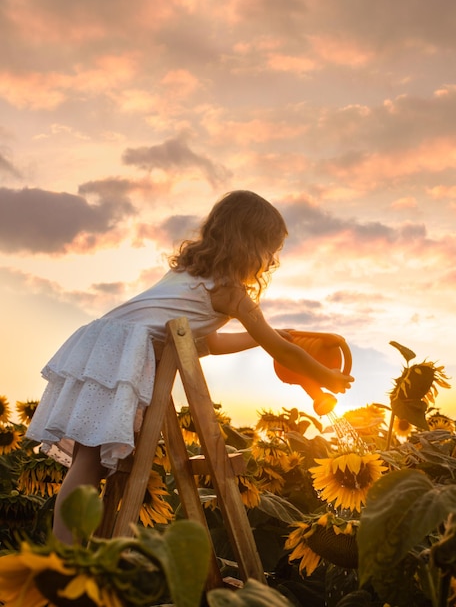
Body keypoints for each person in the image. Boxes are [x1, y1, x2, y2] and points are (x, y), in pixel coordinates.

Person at [26, 190, 354, 543]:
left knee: (85, 460)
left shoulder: (188, 274)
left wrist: (264, 337)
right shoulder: (231, 293)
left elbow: (203, 343)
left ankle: (68, 549)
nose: (270, 261)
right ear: (250, 244)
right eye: (269, 251)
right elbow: (282, 351)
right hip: (119, 353)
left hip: (103, 345)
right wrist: (327, 376)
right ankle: (67, 555)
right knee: (88, 462)